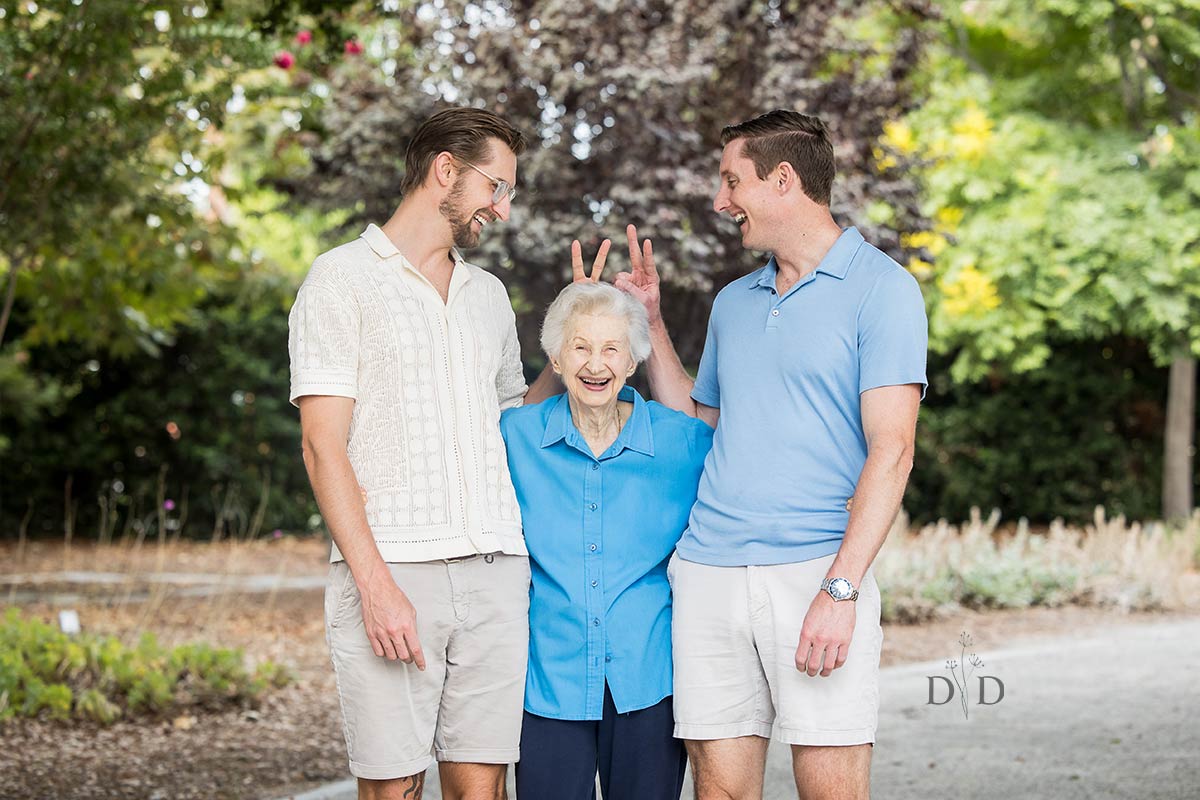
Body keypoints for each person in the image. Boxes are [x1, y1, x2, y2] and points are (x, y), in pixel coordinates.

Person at [613, 109, 928, 799]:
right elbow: (696, 423)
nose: (720, 201)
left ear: (783, 179)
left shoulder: (884, 290)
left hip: (817, 570)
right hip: (709, 572)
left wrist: (841, 590)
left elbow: (894, 449)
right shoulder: (735, 302)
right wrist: (652, 322)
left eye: (733, 181)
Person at [288, 107, 560, 800]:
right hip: (394, 567)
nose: (502, 209)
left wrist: (568, 345)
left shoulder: (488, 295)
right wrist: (376, 586)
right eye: (497, 187)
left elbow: (510, 424)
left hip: (497, 566)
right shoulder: (339, 279)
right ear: (446, 171)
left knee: (483, 789)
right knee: (393, 788)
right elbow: (323, 448)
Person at [500, 277, 713, 800]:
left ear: (633, 360)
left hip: (646, 680)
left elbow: (746, 487)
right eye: (580, 347)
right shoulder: (514, 437)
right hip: (550, 678)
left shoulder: (682, 441)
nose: (596, 364)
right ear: (555, 358)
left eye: (612, 348)